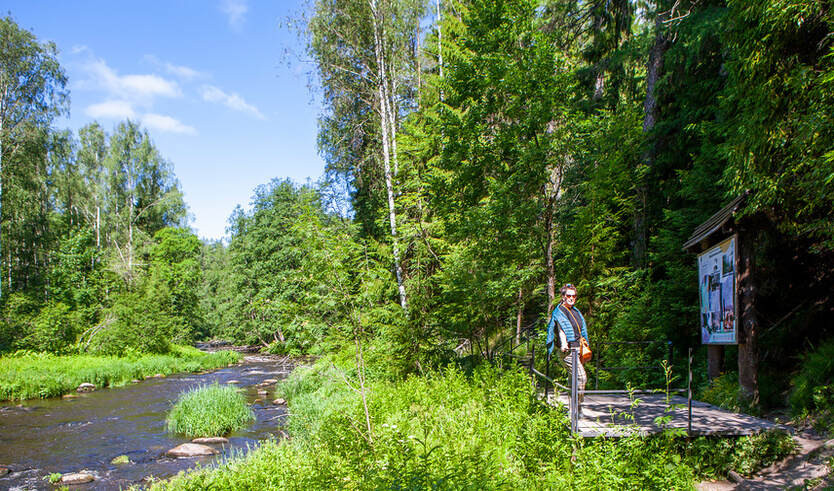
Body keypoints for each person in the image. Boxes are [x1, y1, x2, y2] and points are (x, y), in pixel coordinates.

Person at [546, 283, 590, 407]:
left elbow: (581, 330)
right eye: (569, 295)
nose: (572, 298)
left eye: (574, 296)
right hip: (568, 352)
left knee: (573, 379)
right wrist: (564, 343)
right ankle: (577, 406)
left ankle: (572, 409)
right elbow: (561, 329)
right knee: (581, 378)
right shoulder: (559, 312)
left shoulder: (576, 311)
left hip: (578, 349)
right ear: (563, 296)